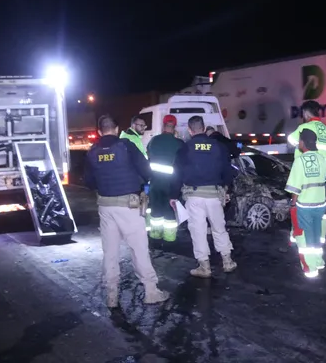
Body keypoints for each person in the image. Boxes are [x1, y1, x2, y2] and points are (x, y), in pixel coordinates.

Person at [84, 114, 170, 307]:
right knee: (138, 248)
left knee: (110, 252)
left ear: (99, 131)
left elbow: (89, 182)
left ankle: (112, 296)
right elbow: (147, 172)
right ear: (116, 129)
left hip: (105, 206)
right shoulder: (127, 146)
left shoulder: (92, 151)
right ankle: (151, 291)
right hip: (129, 205)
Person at [171, 115, 237, 278]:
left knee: (198, 230)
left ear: (190, 130)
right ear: (204, 128)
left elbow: (176, 174)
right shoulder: (218, 146)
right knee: (219, 228)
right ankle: (227, 261)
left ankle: (204, 266)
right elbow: (228, 171)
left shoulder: (185, 148)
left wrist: (173, 195)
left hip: (193, 196)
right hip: (214, 194)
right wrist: (226, 190)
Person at [285, 129, 326, 278]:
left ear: (303, 142)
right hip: (320, 204)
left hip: (305, 205)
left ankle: (311, 269)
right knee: (317, 235)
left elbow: (294, 187)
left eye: (299, 140)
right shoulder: (321, 158)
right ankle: (319, 261)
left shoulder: (299, 161)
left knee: (304, 239)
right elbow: (325, 179)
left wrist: (293, 204)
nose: (298, 143)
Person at [286, 100, 326, 242]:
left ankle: (298, 238)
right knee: (320, 207)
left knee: (301, 207)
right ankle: (319, 238)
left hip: (307, 175)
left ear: (306, 113)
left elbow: (290, 139)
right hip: (323, 177)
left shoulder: (306, 127)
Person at [145, 114, 185, 242]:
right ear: (174, 127)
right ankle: (169, 238)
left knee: (156, 212)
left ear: (163, 126)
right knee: (170, 213)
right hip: (171, 185)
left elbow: (148, 156)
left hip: (155, 183)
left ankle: (155, 236)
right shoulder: (179, 143)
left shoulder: (154, 141)